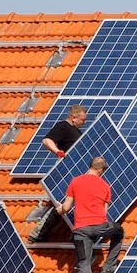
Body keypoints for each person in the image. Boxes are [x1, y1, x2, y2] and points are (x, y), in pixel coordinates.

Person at [61, 156, 123, 273]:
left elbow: (66, 207)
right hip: (100, 227)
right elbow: (104, 212)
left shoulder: (75, 181)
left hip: (81, 231)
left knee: (84, 264)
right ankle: (108, 267)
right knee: (119, 231)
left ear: (90, 166)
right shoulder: (105, 186)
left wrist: (59, 209)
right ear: (101, 170)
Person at [28, 104, 88, 243]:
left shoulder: (76, 131)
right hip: (67, 171)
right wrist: (58, 152)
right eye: (82, 120)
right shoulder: (63, 126)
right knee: (61, 203)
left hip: (76, 172)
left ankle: (76, 231)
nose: (84, 122)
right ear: (74, 118)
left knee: (72, 202)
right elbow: (47, 140)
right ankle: (38, 233)